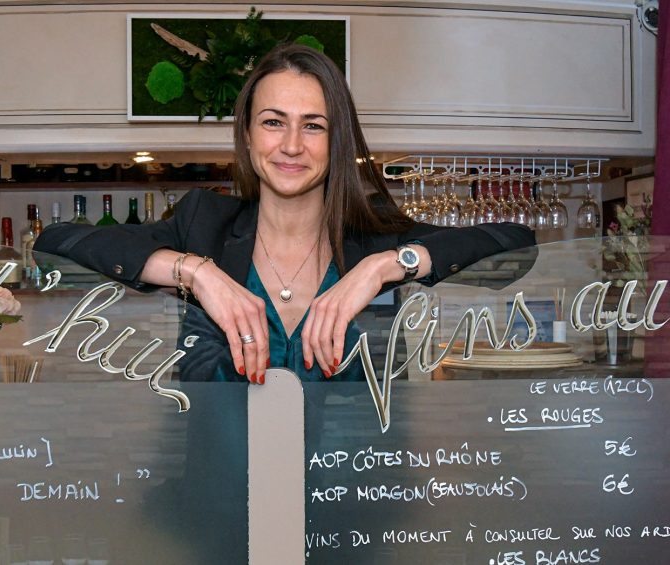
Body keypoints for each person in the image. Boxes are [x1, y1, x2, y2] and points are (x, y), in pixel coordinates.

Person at [34, 43, 535, 385]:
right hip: (222, 514)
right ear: (248, 135)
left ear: (335, 140)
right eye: (274, 122)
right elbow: (53, 247)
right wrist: (195, 272)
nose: (292, 145)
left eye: (313, 126)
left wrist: (384, 266)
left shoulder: (374, 235)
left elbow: (517, 249)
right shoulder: (204, 224)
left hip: (358, 504)